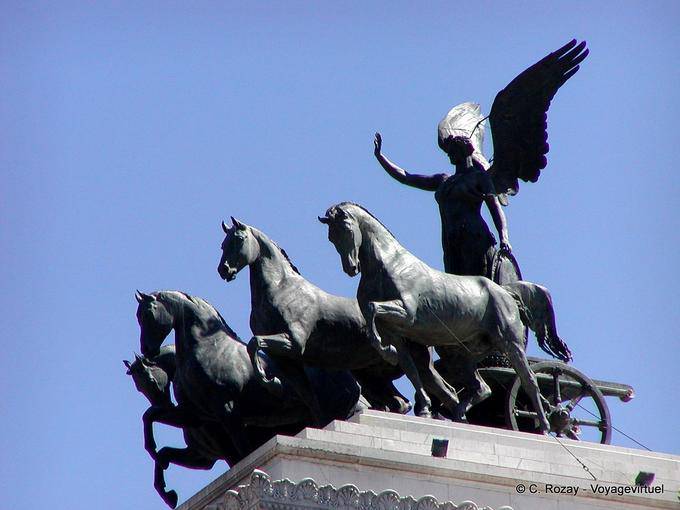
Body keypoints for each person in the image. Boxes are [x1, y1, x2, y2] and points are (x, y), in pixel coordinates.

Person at [373, 130, 511, 279]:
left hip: (473, 237)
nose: (449, 154)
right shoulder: (443, 180)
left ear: (465, 151)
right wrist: (381, 157)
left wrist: (504, 237)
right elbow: (407, 177)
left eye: (453, 151)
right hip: (451, 240)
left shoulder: (479, 177)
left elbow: (495, 207)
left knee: (475, 285)